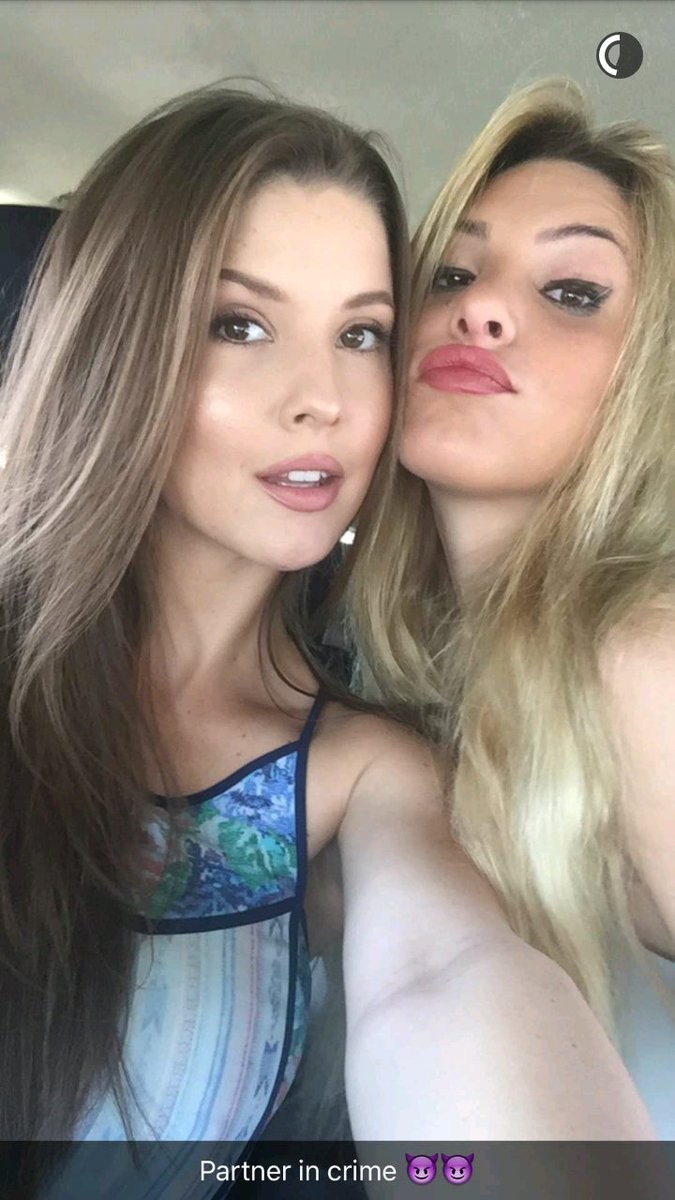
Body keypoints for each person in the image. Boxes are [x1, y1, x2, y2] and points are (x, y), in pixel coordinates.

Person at [0, 83, 654, 1197]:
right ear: (116, 337)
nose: (323, 399)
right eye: (239, 324)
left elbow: (445, 977)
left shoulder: (366, 768)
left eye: (359, 334)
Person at [342, 77, 675, 1139]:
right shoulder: (375, 664)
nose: (479, 306)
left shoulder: (644, 652)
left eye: (572, 291)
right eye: (452, 271)